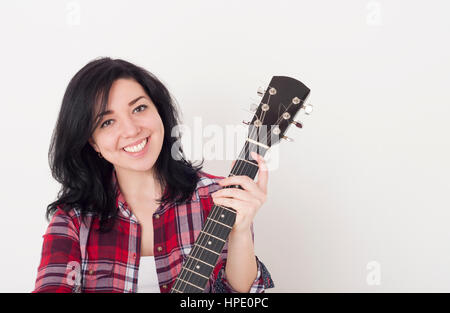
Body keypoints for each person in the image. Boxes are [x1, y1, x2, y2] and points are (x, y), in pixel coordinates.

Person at [32, 57, 274, 293]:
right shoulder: (73, 221)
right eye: (106, 122)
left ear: (159, 110)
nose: (131, 129)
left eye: (139, 108)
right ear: (92, 142)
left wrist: (241, 231)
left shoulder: (220, 198)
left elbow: (239, 295)